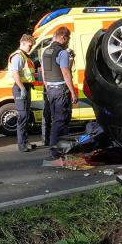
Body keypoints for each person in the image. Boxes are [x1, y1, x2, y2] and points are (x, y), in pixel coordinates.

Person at [41, 27, 78, 159]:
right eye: (68, 38)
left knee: (57, 120)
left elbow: (44, 73)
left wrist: (48, 88)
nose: (68, 41)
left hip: (50, 90)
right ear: (63, 37)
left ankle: (62, 148)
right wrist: (73, 92)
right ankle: (56, 150)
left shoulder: (46, 52)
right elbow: (66, 72)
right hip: (61, 90)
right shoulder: (62, 52)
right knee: (61, 120)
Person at [8, 34, 36, 151]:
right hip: (20, 87)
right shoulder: (18, 56)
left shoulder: (24, 56)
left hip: (25, 86)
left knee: (26, 115)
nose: (31, 48)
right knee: (22, 116)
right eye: (30, 46)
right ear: (23, 43)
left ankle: (25, 142)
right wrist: (22, 88)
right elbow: (15, 74)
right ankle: (21, 145)